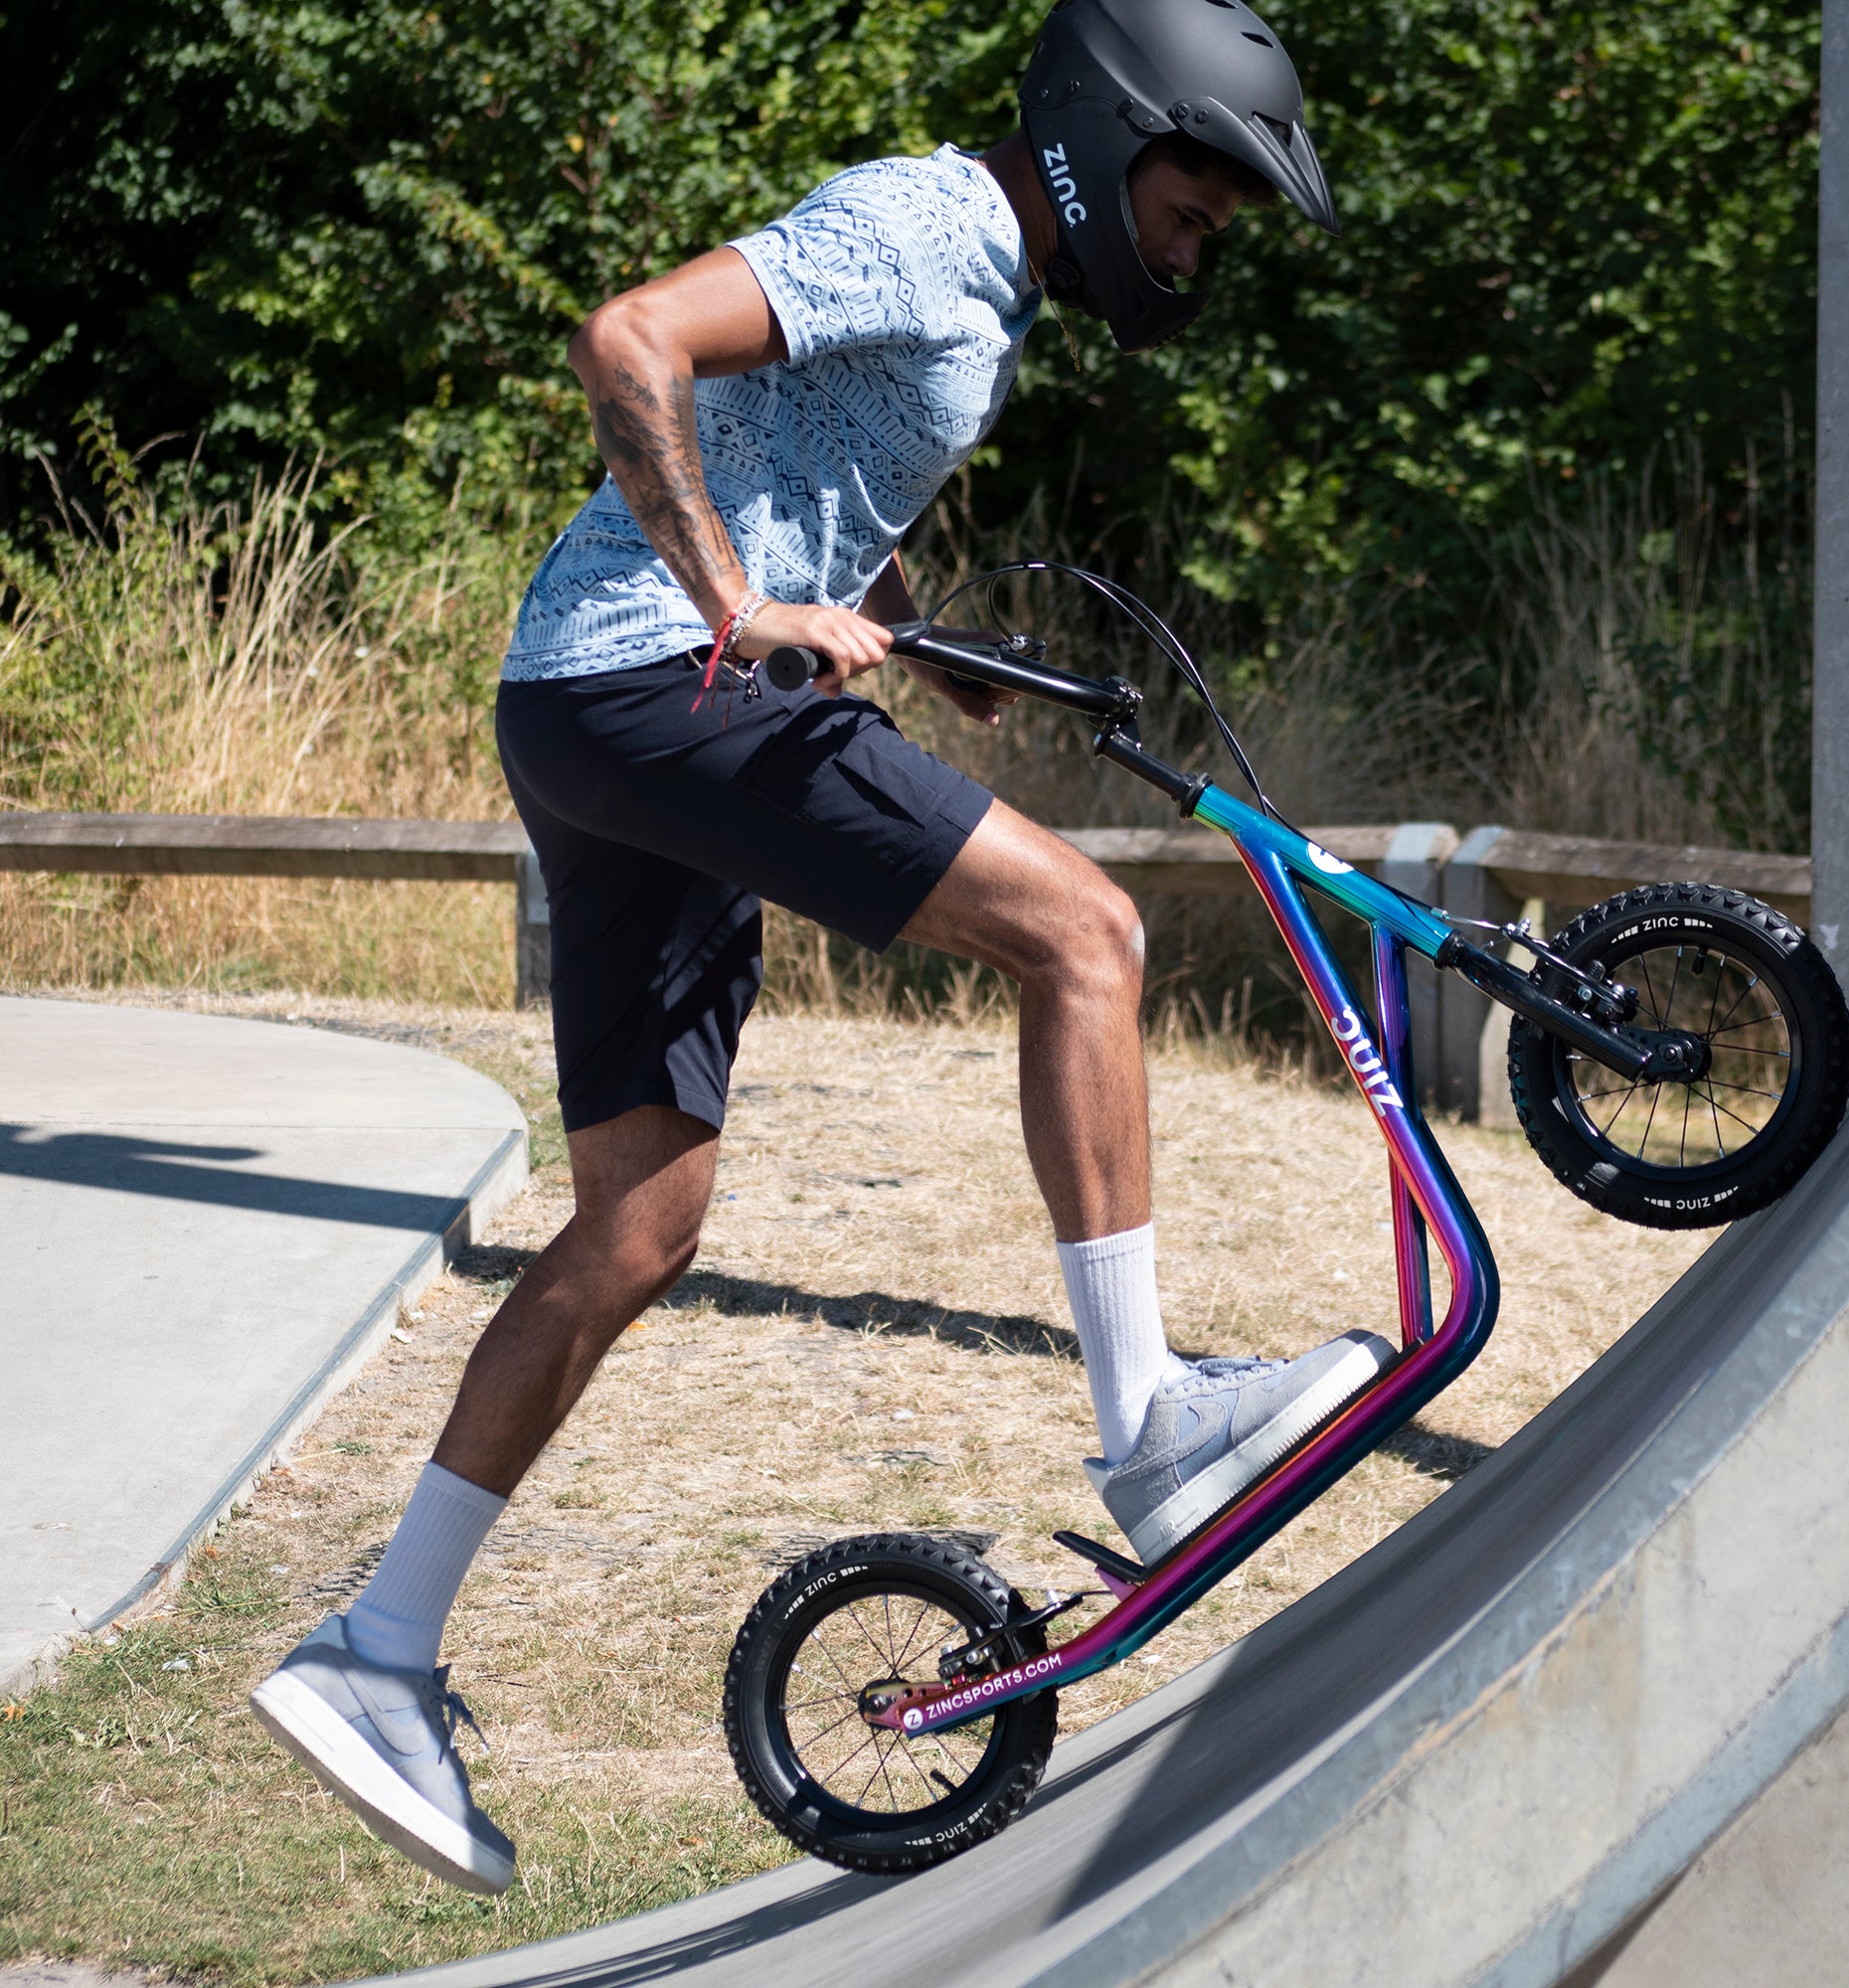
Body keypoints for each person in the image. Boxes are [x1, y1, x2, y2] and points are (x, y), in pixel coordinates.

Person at [251, 0, 1385, 1897]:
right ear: (1119, 138)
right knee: (1088, 938)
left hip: (585, 702)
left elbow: (804, 468)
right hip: (659, 677)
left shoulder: (988, 281)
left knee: (635, 1224)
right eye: (1201, 199)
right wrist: (735, 600)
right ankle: (1149, 1426)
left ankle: (376, 1651)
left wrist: (906, 628)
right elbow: (632, 336)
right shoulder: (932, 225)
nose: (1205, 243)